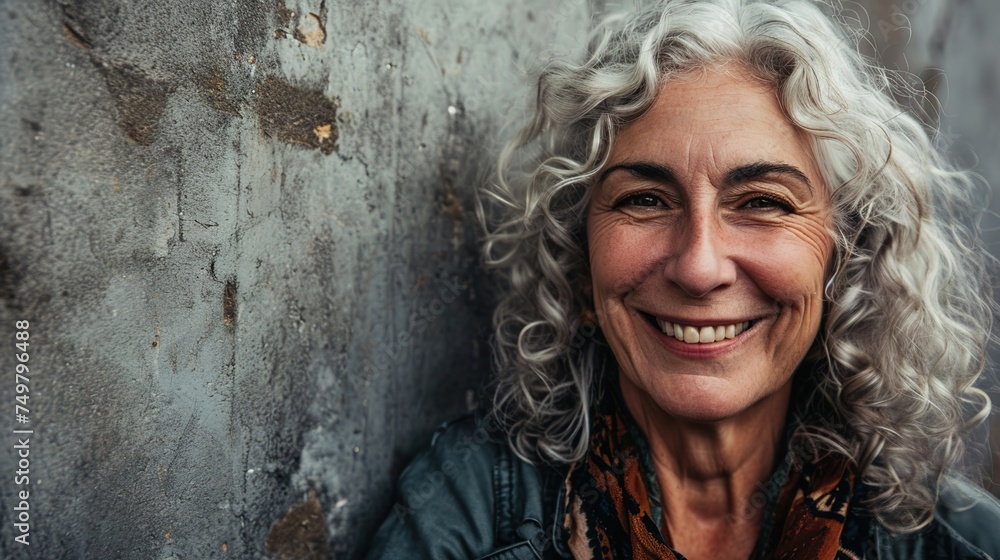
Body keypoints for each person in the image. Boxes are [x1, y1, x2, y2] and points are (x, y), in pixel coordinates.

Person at [366, 0, 1000, 558]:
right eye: (645, 200)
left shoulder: (959, 540)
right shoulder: (471, 516)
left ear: (846, 251)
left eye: (763, 202)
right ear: (578, 250)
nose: (699, 267)